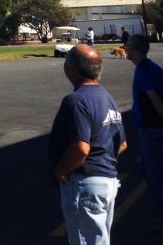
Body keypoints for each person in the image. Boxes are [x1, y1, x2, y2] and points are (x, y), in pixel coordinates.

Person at [49, 44, 127, 244]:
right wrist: (104, 161)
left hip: (84, 183)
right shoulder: (107, 98)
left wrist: (59, 171)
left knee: (85, 239)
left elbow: (81, 147)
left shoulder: (76, 101)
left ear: (71, 69)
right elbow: (122, 143)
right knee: (99, 238)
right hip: (107, 180)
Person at [125, 34, 163, 231]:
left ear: (135, 50)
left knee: (155, 174)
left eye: (128, 46)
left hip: (153, 130)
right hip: (152, 129)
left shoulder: (144, 71)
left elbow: (154, 99)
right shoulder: (150, 68)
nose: (125, 48)